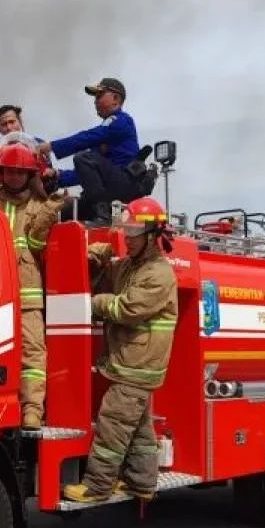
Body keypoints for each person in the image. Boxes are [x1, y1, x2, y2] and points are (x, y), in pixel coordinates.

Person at [63, 197, 179, 504]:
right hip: (131, 362)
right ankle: (142, 482)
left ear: (152, 236)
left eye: (134, 232)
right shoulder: (132, 266)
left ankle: (97, 486)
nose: (128, 238)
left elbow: (127, 308)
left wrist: (94, 304)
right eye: (126, 231)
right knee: (138, 428)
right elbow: (106, 274)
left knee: (113, 423)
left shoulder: (159, 274)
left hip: (138, 364)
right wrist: (96, 257)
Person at [0, 144, 64, 430]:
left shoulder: (40, 206)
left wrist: (51, 208)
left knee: (32, 353)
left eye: (20, 172)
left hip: (27, 296)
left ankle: (32, 410)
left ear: (30, 175)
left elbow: (37, 245)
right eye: (9, 171)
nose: (15, 176)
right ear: (0, 172)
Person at [37, 77, 141, 224]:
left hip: (123, 184)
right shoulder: (104, 135)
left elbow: (86, 137)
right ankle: (101, 211)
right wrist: (58, 176)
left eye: (99, 95)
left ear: (116, 99)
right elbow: (86, 175)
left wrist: (52, 146)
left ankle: (103, 215)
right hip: (107, 190)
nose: (95, 101)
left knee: (83, 158)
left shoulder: (121, 121)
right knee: (60, 215)